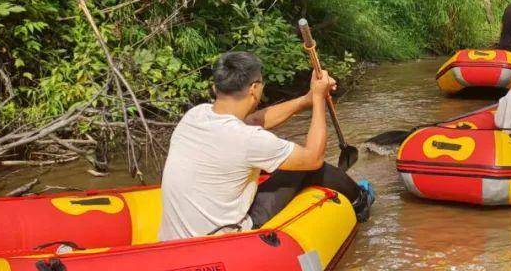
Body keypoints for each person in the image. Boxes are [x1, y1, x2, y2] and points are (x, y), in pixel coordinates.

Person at [158, 52, 373, 242]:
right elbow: (313, 158)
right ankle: (361, 201)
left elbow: (251, 120)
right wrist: (318, 99)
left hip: (179, 241)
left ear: (216, 88)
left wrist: (305, 100)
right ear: (254, 89)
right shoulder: (248, 140)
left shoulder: (196, 115)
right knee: (306, 168)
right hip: (225, 240)